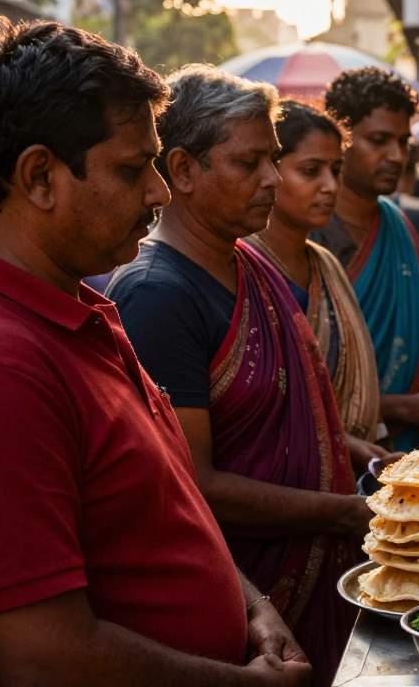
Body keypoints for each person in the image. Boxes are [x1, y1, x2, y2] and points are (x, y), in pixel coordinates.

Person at [0, 20, 309, 686]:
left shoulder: (82, 312)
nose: (158, 191)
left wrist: (252, 607)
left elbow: (170, 508)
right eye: (132, 169)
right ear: (40, 176)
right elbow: (44, 657)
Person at [107, 66, 367, 686]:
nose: (272, 179)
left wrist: (350, 449)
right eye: (250, 163)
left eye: (273, 161)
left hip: (316, 576)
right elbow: (194, 483)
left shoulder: (250, 260)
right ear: (185, 170)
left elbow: (278, 407)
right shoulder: (157, 296)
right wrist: (343, 513)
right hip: (249, 609)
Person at [310, 67, 419, 449]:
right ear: (340, 140)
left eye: (403, 142)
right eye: (379, 140)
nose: (397, 156)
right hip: (330, 455)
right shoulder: (308, 232)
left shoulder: (400, 225)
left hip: (402, 451)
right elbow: (298, 383)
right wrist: (407, 407)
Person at [245, 101, 387, 468]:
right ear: (270, 172)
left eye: (336, 170)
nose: (330, 186)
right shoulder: (242, 268)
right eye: (310, 171)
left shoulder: (326, 265)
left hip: (351, 473)